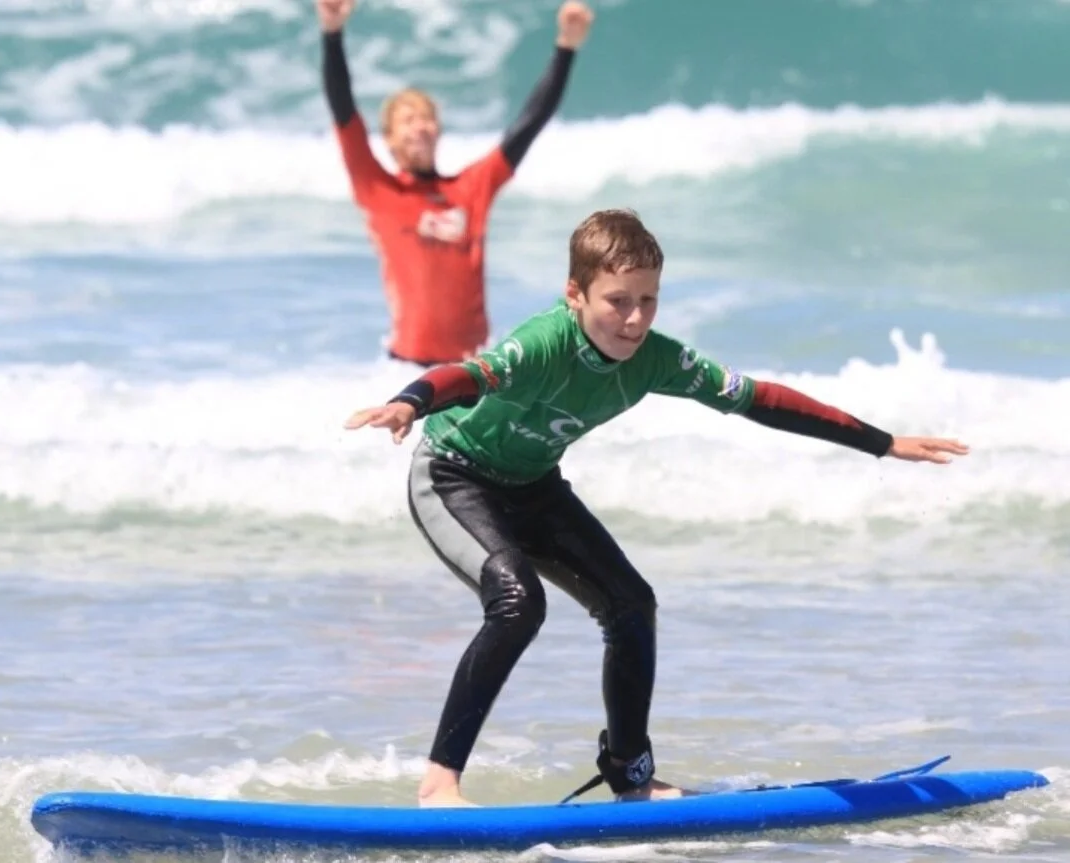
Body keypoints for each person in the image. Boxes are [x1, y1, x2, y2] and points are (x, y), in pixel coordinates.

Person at [345, 209, 970, 808]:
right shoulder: (542, 343)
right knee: (517, 603)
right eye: (618, 301)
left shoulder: (657, 360)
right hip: (455, 474)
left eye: (648, 300)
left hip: (533, 485)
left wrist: (882, 442)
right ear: (575, 294)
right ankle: (439, 787)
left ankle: (631, 776)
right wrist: (410, 401)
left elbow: (760, 399)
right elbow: (465, 375)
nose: (635, 319)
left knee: (631, 604)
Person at [317, 0, 595, 367]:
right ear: (390, 139)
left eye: (427, 118)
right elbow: (344, 113)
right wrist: (332, 34)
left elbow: (528, 125)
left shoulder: (471, 187)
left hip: (474, 367)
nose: (420, 126)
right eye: (408, 120)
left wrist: (566, 47)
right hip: (405, 369)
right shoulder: (378, 190)